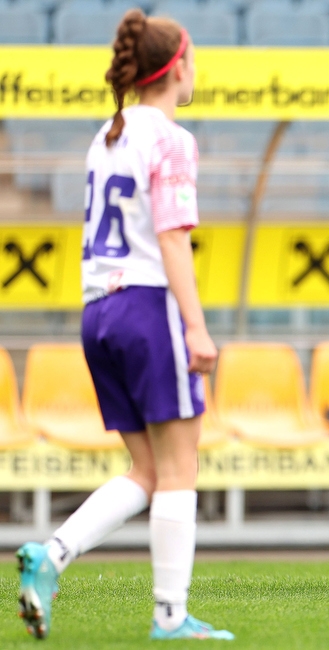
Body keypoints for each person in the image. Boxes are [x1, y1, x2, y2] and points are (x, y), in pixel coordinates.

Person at [15, 9, 233, 640]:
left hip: (99, 313)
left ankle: (50, 556)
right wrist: (195, 327)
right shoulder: (171, 137)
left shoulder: (106, 134)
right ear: (177, 67)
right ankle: (170, 617)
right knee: (181, 467)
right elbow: (170, 238)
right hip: (146, 306)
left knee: (149, 470)